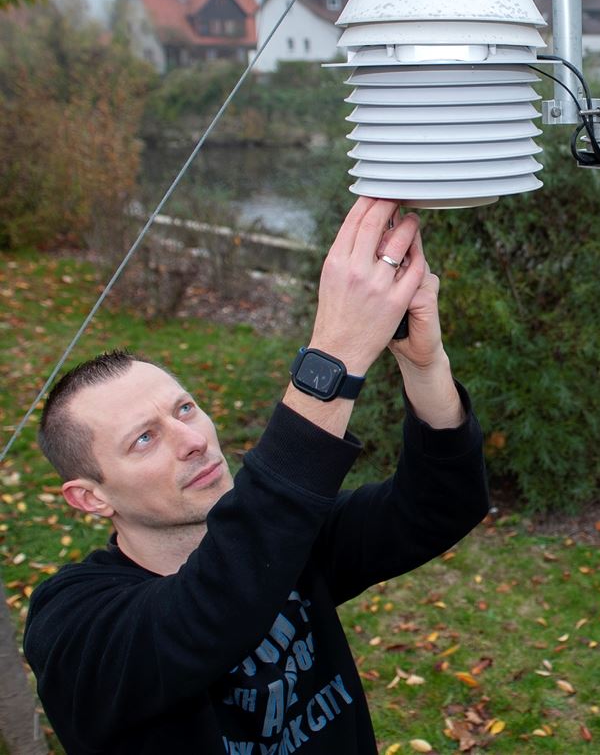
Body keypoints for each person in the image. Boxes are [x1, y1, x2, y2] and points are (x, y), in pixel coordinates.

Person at [23, 197, 489, 755]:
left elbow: (441, 504)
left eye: (185, 409)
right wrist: (333, 356)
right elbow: (209, 609)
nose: (193, 440)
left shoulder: (285, 541)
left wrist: (423, 365)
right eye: (144, 438)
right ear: (89, 497)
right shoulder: (72, 627)